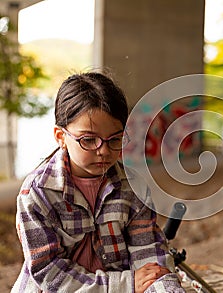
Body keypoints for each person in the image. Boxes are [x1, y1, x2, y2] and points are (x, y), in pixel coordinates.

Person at [12, 72, 185, 293]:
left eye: (114, 140)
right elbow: (48, 272)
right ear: (60, 136)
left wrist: (166, 288)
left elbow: (149, 255)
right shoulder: (36, 194)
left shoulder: (133, 188)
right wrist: (125, 284)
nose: (103, 151)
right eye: (88, 140)